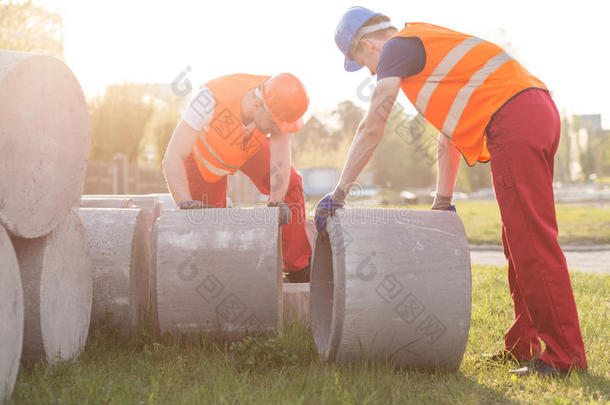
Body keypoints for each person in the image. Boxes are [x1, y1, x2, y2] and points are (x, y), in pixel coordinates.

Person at [315, 6, 587, 376]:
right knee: (518, 239)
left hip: (515, 117)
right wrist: (443, 202)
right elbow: (449, 137)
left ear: (366, 44)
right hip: (534, 109)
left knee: (533, 242)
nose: (370, 71)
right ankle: (522, 345)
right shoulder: (427, 44)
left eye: (362, 62)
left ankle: (565, 357)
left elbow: (373, 124)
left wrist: (340, 192)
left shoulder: (396, 48)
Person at [163, 73, 312, 282]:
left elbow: (280, 155)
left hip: (247, 147)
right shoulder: (207, 101)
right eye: (273, 122)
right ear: (256, 103)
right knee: (208, 227)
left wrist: (277, 202)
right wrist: (184, 205)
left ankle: (298, 268)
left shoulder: (281, 101)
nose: (277, 129)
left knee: (291, 184)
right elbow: (173, 157)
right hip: (205, 161)